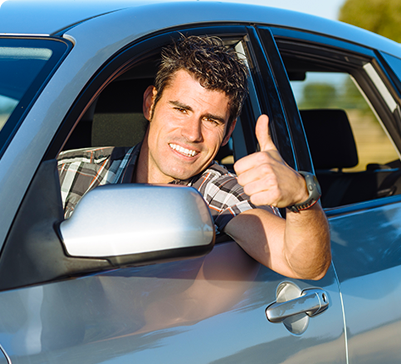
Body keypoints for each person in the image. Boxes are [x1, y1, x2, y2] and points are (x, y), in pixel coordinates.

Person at [58, 35, 331, 280]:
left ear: (228, 133)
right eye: (181, 110)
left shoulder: (219, 194)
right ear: (150, 104)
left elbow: (303, 266)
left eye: (211, 120)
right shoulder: (69, 172)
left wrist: (302, 197)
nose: (192, 134)